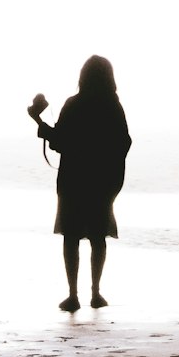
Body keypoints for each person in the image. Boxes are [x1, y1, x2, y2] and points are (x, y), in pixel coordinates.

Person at [27, 54, 132, 311]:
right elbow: (124, 142)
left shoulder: (74, 104)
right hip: (102, 182)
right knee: (98, 236)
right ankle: (96, 293)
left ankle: (73, 295)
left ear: (83, 77)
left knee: (71, 235)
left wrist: (39, 122)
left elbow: (61, 141)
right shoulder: (113, 106)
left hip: (74, 179)